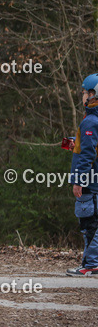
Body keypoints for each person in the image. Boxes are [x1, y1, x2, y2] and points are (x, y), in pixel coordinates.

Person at [69, 73, 98, 276]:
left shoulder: (90, 122)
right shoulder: (92, 121)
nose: (82, 96)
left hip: (90, 183)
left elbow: (88, 154)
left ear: (93, 94)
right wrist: (75, 142)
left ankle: (91, 264)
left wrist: (78, 181)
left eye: (84, 92)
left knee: (90, 224)